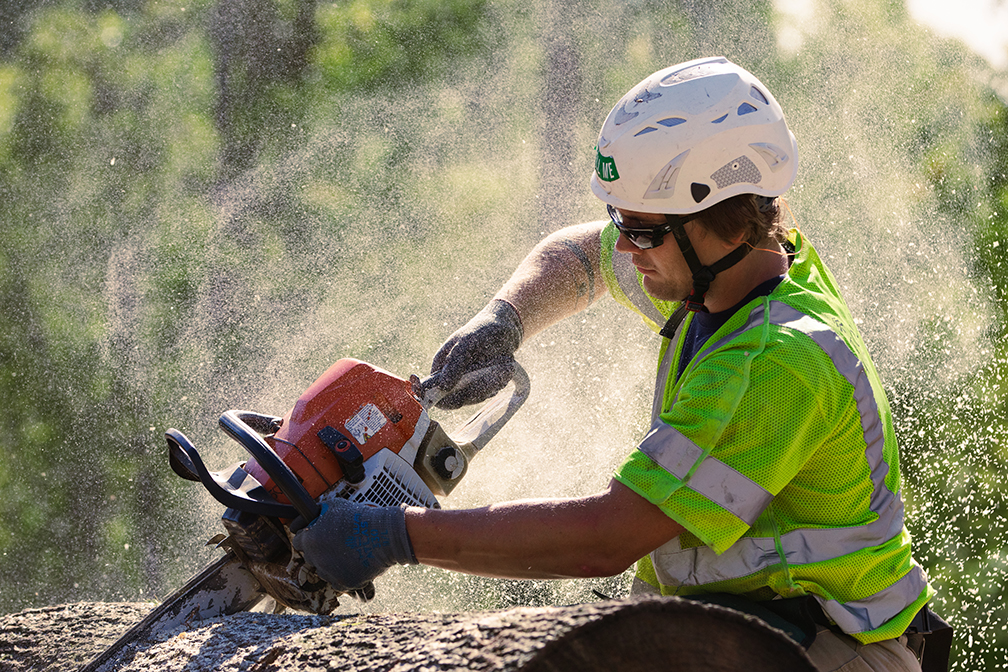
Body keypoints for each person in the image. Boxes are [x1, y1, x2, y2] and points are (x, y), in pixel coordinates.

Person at [293, 57, 940, 671]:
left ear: (733, 224)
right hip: (747, 624)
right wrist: (505, 320)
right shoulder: (729, 274)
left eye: (644, 230)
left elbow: (606, 538)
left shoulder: (773, 362)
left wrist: (395, 536)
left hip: (835, 652)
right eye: (620, 220)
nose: (627, 247)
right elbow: (584, 255)